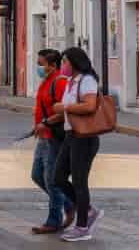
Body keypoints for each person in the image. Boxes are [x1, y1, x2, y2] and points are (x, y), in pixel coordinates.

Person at [52, 47, 104, 243]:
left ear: (74, 62)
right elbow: (70, 110)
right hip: (71, 134)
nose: (63, 65)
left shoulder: (86, 80)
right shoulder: (71, 82)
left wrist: (64, 106)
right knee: (58, 177)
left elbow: (90, 106)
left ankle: (82, 227)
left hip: (85, 137)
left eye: (65, 61)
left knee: (80, 181)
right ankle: (88, 209)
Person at [30, 49, 74, 235]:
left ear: (53, 65)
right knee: (37, 175)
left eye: (41, 64)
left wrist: (46, 123)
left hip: (54, 137)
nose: (39, 67)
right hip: (43, 136)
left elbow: (64, 110)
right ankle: (69, 204)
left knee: (52, 181)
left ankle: (53, 221)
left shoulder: (60, 82)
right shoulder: (46, 81)